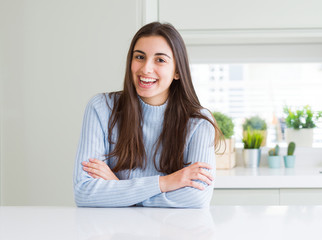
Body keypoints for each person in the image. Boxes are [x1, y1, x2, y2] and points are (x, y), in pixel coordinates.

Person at [73, 22, 221, 208]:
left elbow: (196, 198)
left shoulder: (199, 122)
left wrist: (118, 189)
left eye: (160, 60)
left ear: (177, 71)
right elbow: (85, 192)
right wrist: (165, 183)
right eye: (139, 57)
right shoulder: (101, 108)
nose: (146, 69)